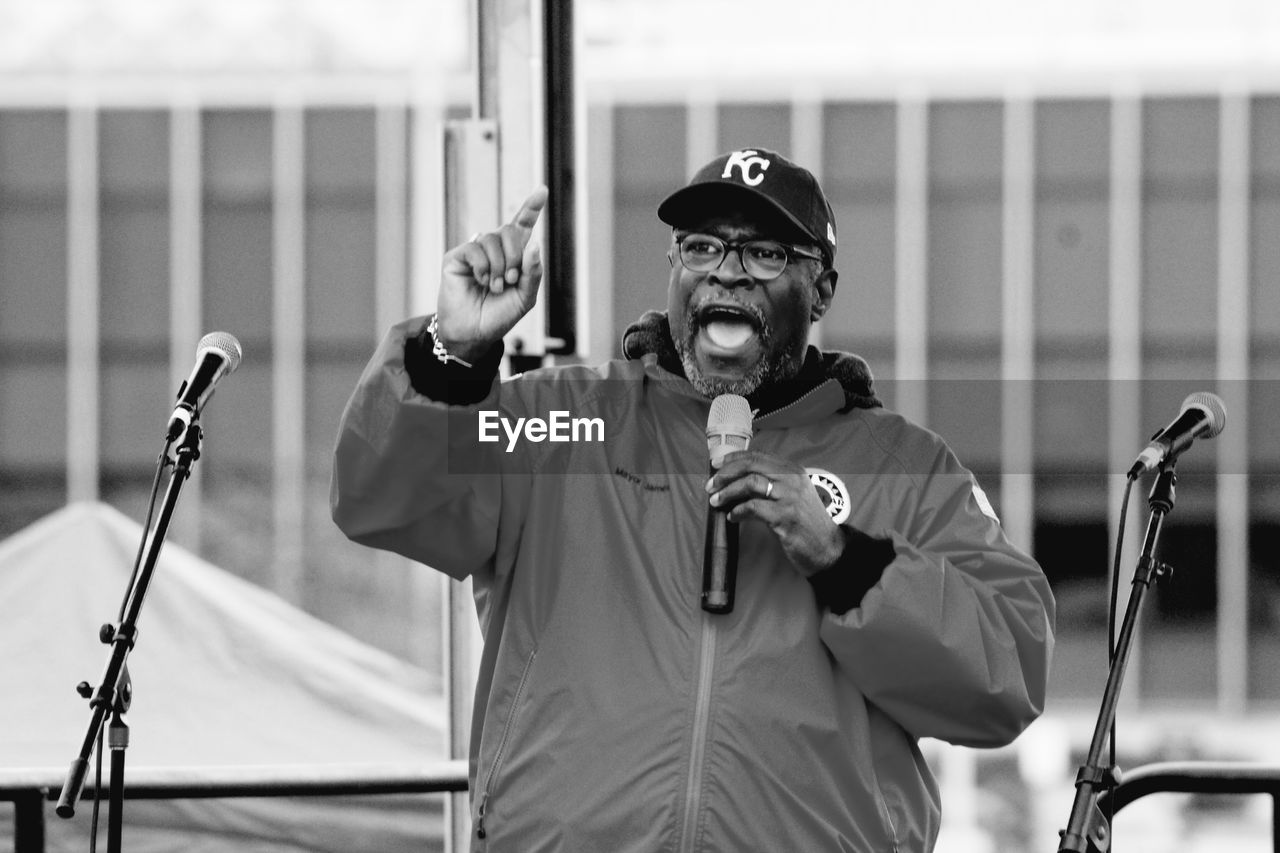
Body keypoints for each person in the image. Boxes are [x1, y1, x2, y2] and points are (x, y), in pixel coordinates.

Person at [331, 147, 1055, 852]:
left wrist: (844, 559)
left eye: (766, 253)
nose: (727, 273)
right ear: (674, 268)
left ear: (822, 290)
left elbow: (1007, 677)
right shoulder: (563, 420)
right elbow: (383, 500)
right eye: (701, 246)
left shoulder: (907, 467)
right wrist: (450, 355)